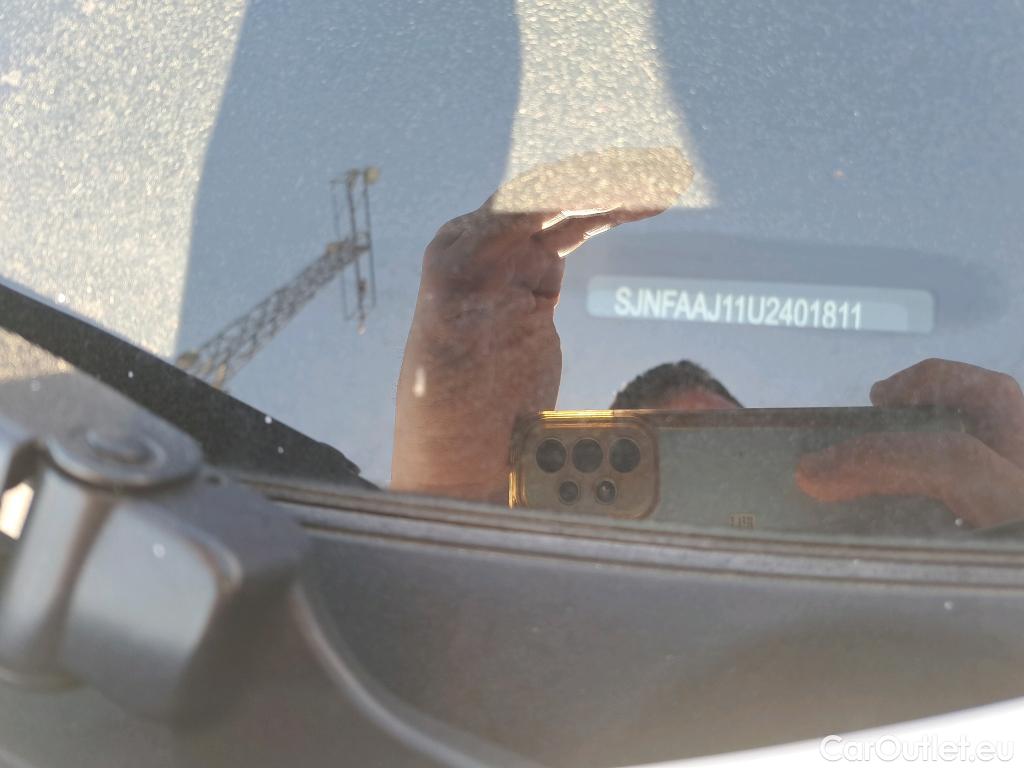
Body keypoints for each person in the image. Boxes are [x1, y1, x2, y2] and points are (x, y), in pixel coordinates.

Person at [392, 188, 1024, 530]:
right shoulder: (560, 621)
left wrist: (1011, 541)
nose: (716, 497)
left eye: (733, 449)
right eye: (657, 460)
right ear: (596, 514)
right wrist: (462, 495)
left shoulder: (900, 556)